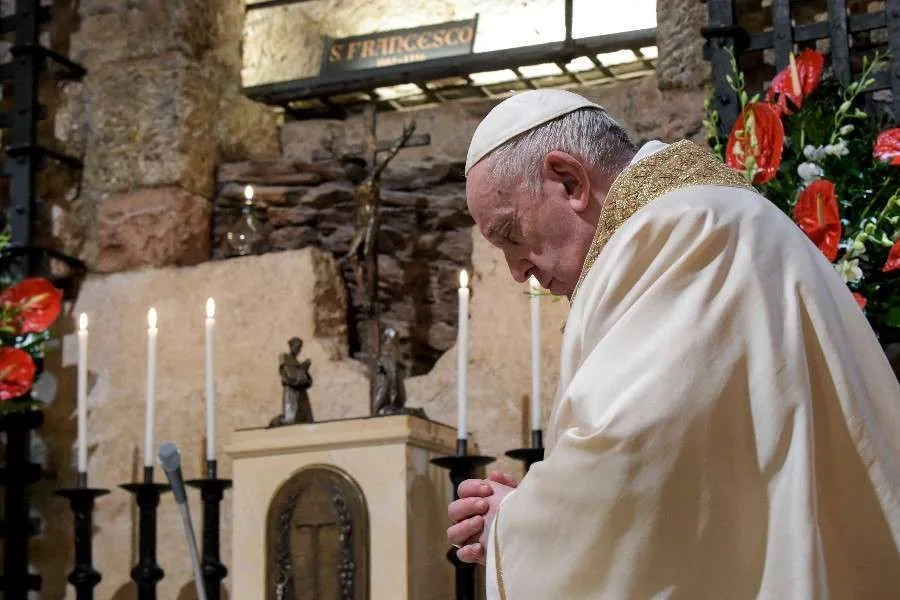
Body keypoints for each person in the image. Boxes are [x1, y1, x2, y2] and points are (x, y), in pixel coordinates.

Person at [446, 89, 900, 599]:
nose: (516, 270)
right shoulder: (705, 216)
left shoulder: (682, 233)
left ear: (570, 181)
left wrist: (519, 525)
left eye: (511, 234)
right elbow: (702, 470)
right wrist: (537, 504)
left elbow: (635, 453)